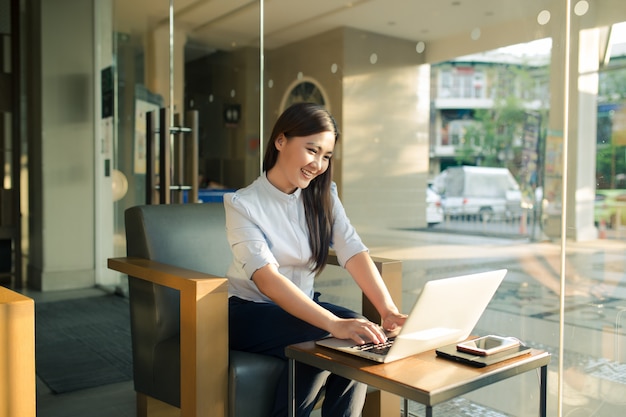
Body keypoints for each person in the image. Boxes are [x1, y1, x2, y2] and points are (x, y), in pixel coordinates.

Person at [224, 102, 406, 417]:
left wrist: (388, 310)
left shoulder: (323, 195)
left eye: (326, 156)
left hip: (303, 307)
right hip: (248, 313)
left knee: (365, 334)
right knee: (323, 335)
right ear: (280, 141)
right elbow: (267, 279)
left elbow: (352, 249)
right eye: (312, 150)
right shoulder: (243, 204)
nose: (318, 164)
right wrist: (333, 324)